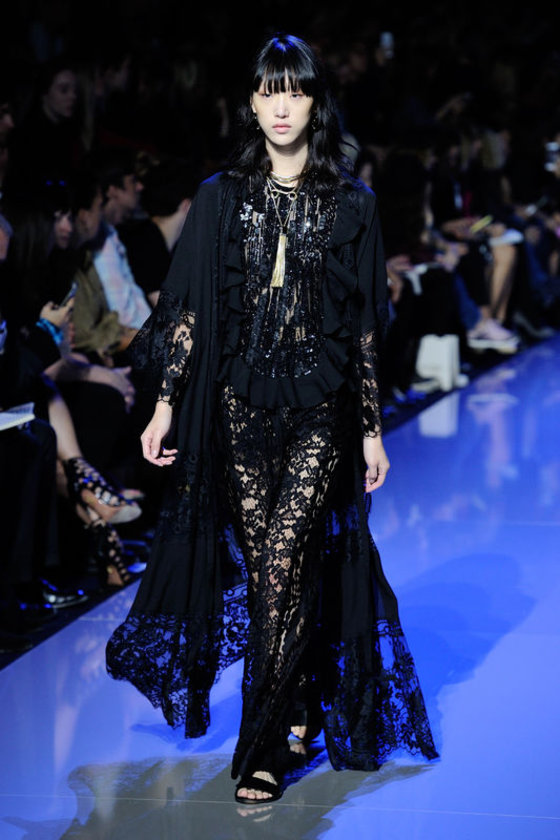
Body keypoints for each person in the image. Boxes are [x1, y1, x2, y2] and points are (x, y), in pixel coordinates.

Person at [106, 33, 438, 805]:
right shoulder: (220, 198)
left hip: (321, 407)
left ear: (316, 103)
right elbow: (188, 312)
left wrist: (371, 429)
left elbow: (363, 328)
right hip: (238, 407)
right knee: (268, 574)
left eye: (296, 90)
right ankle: (296, 702)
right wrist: (165, 406)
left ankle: (260, 748)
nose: (282, 106)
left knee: (287, 559)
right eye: (268, 90)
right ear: (251, 103)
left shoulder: (353, 203)